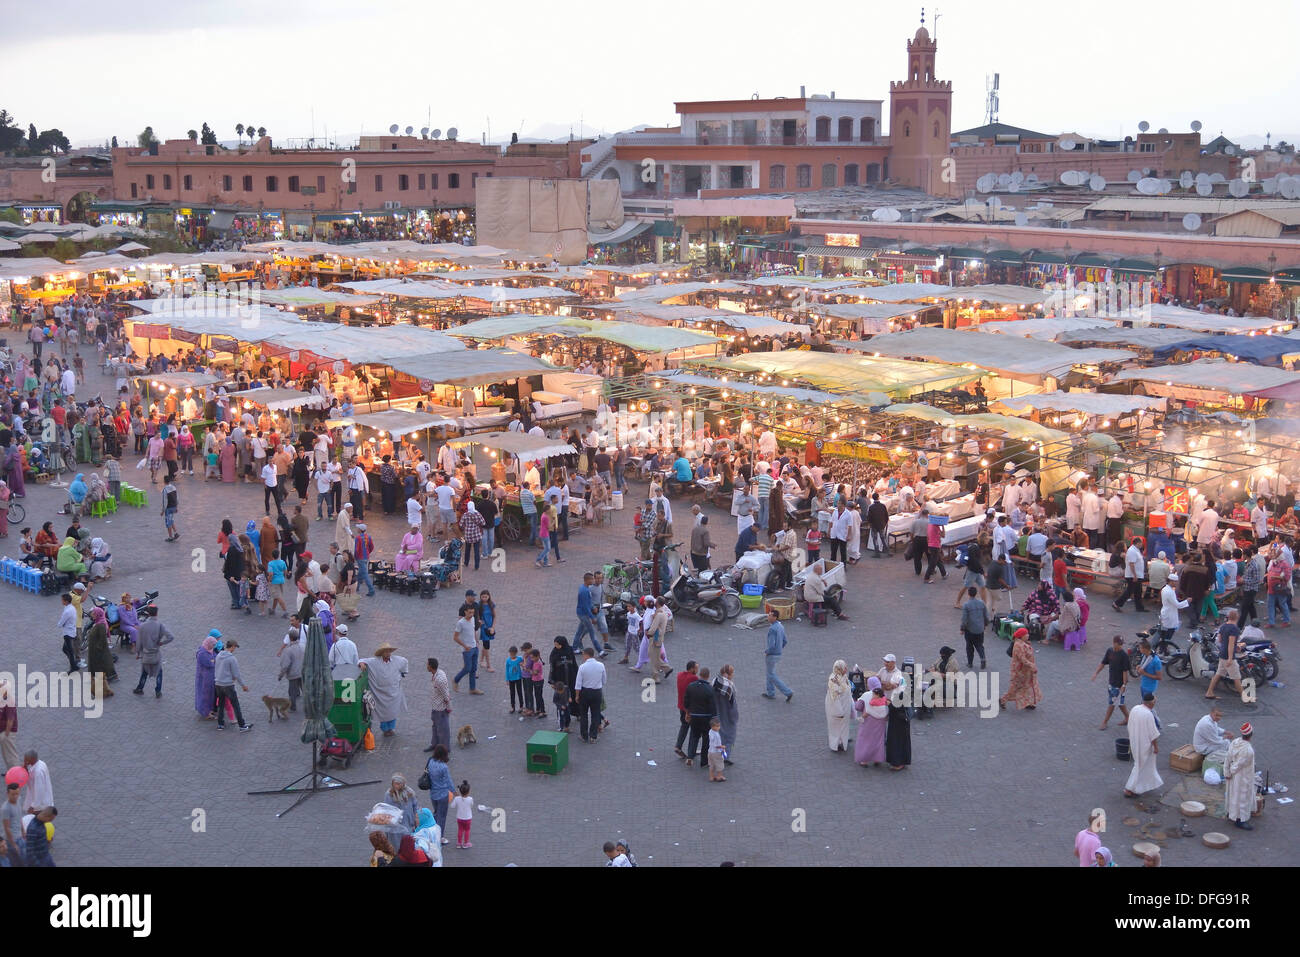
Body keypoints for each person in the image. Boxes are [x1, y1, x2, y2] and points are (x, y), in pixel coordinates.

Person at [359, 642, 409, 736]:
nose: (388, 653)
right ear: (382, 653)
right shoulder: (375, 661)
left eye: (389, 651)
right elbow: (362, 660)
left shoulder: (397, 660)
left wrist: (403, 672)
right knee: (382, 711)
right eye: (386, 652)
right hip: (380, 693)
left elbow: (405, 662)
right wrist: (361, 663)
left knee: (393, 710)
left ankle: (391, 728)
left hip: (393, 691)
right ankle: (385, 729)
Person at [1123, 692, 1162, 797]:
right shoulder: (1148, 714)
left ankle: (1140, 786)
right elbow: (1153, 734)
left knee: (1141, 764)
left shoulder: (1135, 708)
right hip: (1144, 745)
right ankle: (1129, 788)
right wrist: (1156, 747)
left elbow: (1130, 725)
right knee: (1139, 765)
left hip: (1135, 741)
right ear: (1151, 703)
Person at [1092, 635, 1131, 730]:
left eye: (1121, 644)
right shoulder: (1110, 651)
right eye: (1119, 644)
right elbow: (1103, 663)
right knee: (1120, 702)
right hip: (1111, 682)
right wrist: (1096, 673)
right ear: (1114, 643)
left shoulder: (1124, 655)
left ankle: (1105, 722)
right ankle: (1128, 718)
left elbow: (1125, 671)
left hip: (1119, 684)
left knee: (1112, 703)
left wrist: (1124, 685)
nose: (1121, 646)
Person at [213, 639, 253, 732]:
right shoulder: (232, 658)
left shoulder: (219, 655)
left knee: (221, 704)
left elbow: (217, 669)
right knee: (236, 705)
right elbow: (236, 674)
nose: (235, 649)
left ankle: (220, 724)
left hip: (218, 684)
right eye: (235, 647)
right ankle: (242, 725)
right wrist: (243, 685)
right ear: (233, 647)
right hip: (228, 685)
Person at [132, 613, 175, 698]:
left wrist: (138, 653)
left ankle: (139, 688)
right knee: (159, 672)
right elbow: (171, 637)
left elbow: (139, 643)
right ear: (156, 614)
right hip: (155, 655)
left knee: (144, 673)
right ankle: (158, 691)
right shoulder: (159, 625)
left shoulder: (143, 626)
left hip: (146, 655)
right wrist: (162, 642)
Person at [999, 628, 1042, 711]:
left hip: (1025, 671)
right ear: (1021, 636)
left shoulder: (1023, 643)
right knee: (1016, 688)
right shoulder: (1018, 645)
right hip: (1019, 671)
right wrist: (1032, 666)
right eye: (1026, 634)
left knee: (1027, 686)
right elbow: (1022, 659)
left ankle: (1027, 703)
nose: (1028, 635)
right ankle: (1003, 700)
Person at [682, 666, 717, 769]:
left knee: (694, 736)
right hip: (706, 718)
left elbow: (686, 702)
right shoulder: (710, 689)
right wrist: (714, 719)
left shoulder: (691, 686)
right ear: (708, 676)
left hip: (694, 716)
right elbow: (712, 707)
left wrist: (688, 712)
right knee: (706, 739)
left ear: (700, 675)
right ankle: (704, 762)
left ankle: (690, 757)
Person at [1224, 723, 1257, 830]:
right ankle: (1240, 820)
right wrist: (1232, 771)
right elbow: (1239, 764)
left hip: (1233, 774)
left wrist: (1227, 772)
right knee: (1242, 798)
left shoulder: (1235, 742)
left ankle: (1231, 813)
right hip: (1242, 777)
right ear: (1251, 735)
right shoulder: (1248, 750)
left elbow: (1228, 757)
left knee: (1233, 795)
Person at [1206, 609, 1243, 700]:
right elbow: (1230, 644)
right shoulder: (1234, 629)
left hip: (1222, 653)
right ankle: (1245, 696)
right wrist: (1230, 658)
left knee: (1219, 673)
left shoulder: (1223, 626)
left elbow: (1220, 640)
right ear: (1237, 618)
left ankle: (1209, 692)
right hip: (1228, 655)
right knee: (1236, 677)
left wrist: (1234, 645)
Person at [853, 676, 888, 767]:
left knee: (865, 739)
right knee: (878, 739)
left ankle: (864, 760)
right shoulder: (882, 694)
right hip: (880, 721)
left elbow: (858, 707)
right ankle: (878, 758)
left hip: (868, 721)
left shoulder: (866, 694)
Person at [574, 647, 607, 743]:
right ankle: (593, 736)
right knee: (595, 714)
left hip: (585, 692)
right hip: (597, 692)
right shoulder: (601, 665)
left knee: (583, 714)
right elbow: (604, 680)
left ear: (586, 655)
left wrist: (577, 696)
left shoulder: (582, 667)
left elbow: (578, 684)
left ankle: (584, 736)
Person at [423, 745, 456, 842]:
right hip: (442, 794)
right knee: (442, 816)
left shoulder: (430, 761)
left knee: (436, 813)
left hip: (433, 793)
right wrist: (454, 791)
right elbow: (448, 781)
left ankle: (431, 831)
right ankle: (439, 837)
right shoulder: (443, 767)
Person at [761, 609, 793, 701]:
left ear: (775, 617)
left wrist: (767, 651)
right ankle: (770, 692)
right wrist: (779, 648)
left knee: (771, 675)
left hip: (772, 655)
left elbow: (771, 645)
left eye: (770, 615)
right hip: (778, 654)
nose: (768, 616)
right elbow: (785, 641)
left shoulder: (772, 629)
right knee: (770, 673)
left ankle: (787, 692)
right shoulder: (780, 626)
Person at [712, 664, 738, 766]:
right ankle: (724, 757)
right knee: (730, 737)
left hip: (716, 713)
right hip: (727, 715)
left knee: (719, 736)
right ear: (728, 674)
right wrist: (734, 718)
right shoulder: (729, 687)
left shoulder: (715, 681)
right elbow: (732, 705)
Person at [825, 660, 854, 752]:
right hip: (837, 708)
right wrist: (839, 712)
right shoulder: (833, 680)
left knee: (843, 726)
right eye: (845, 667)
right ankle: (836, 744)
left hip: (845, 706)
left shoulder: (843, 676)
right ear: (840, 668)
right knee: (835, 727)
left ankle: (842, 741)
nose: (846, 669)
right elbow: (834, 698)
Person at [1112, 537, 1147, 613]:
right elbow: (1131, 564)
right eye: (1141, 543)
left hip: (1136, 574)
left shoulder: (1135, 550)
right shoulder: (1132, 551)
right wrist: (1134, 575)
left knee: (1138, 591)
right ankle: (1117, 603)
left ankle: (1139, 607)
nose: (1142, 544)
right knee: (1130, 591)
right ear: (1138, 543)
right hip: (1133, 575)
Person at [960, 586, 990, 669]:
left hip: (970, 630)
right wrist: (985, 624)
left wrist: (962, 628)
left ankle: (970, 663)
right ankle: (983, 658)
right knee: (980, 645)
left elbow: (964, 619)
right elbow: (986, 615)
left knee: (969, 646)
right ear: (976, 593)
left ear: (968, 593)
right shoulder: (981, 603)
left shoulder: (966, 605)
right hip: (980, 629)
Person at [195, 631, 220, 719]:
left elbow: (215, 658)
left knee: (210, 695)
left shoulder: (209, 650)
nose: (213, 647)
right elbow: (210, 663)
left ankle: (209, 710)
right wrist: (213, 660)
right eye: (213, 645)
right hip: (204, 678)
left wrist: (214, 660)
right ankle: (205, 713)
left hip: (210, 677)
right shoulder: (202, 653)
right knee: (205, 695)